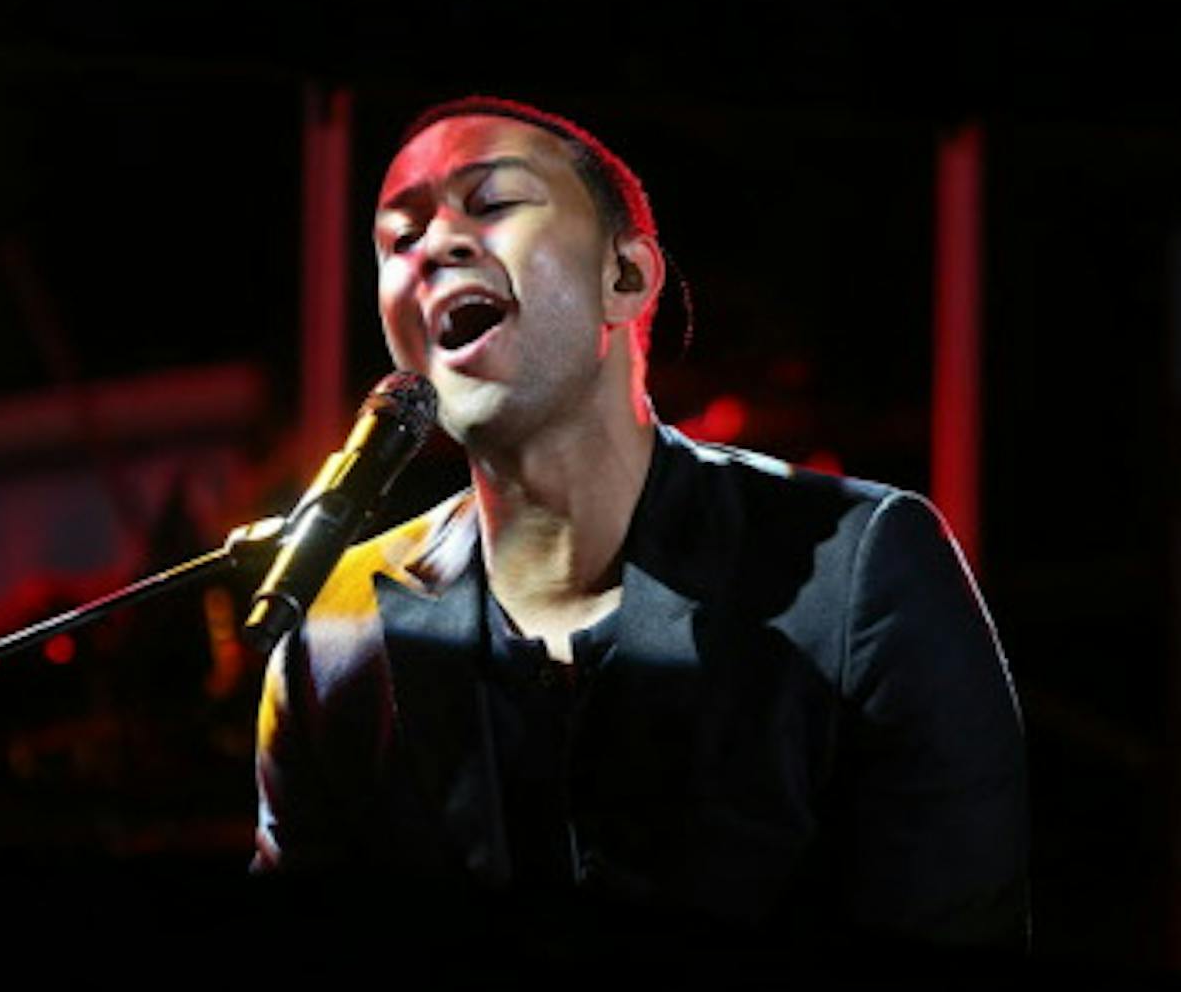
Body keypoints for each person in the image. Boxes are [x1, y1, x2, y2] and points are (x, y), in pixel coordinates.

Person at [251, 95, 1029, 953]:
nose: (433, 245)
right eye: (399, 239)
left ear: (625, 277)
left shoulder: (858, 571)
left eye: (493, 201)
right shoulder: (332, 632)